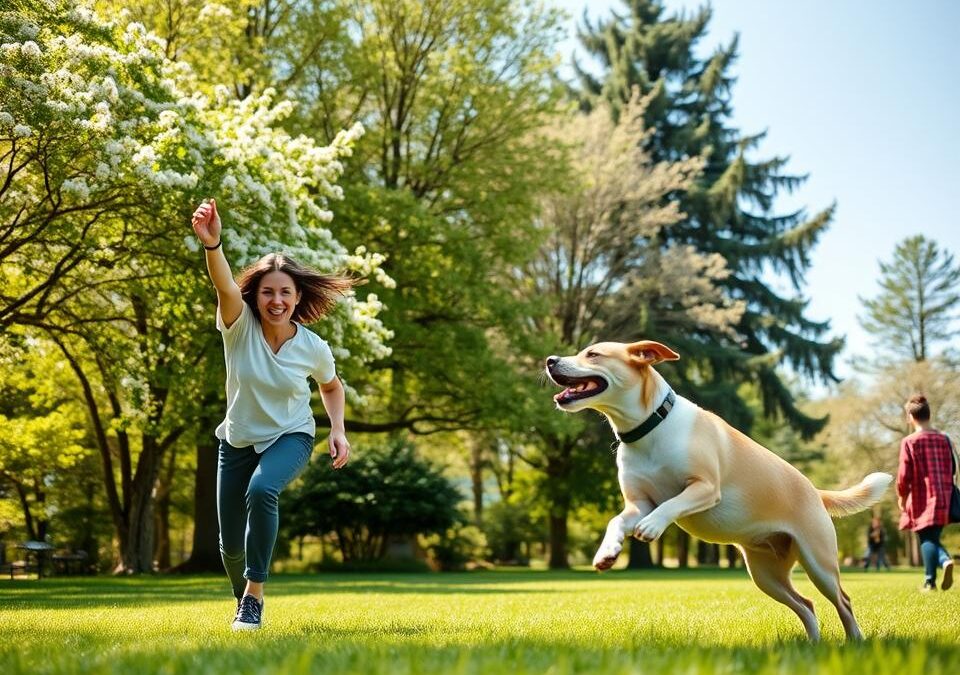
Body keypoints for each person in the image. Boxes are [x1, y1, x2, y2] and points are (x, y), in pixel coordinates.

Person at [191, 198, 353, 630]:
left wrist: (337, 430)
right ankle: (243, 596)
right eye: (268, 291)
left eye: (285, 292)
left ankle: (255, 596)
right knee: (229, 546)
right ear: (256, 296)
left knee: (263, 491)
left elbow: (332, 387)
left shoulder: (312, 347)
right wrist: (213, 245)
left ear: (298, 297)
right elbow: (225, 285)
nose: (276, 300)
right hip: (238, 437)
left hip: (291, 435)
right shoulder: (238, 324)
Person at [896, 394, 955, 591]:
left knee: (926, 538)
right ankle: (937, 571)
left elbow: (905, 475)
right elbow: (954, 467)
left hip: (922, 496)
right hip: (944, 494)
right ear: (929, 414)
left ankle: (933, 576)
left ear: (911, 417)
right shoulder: (944, 438)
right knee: (933, 537)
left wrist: (902, 497)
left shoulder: (910, 442)